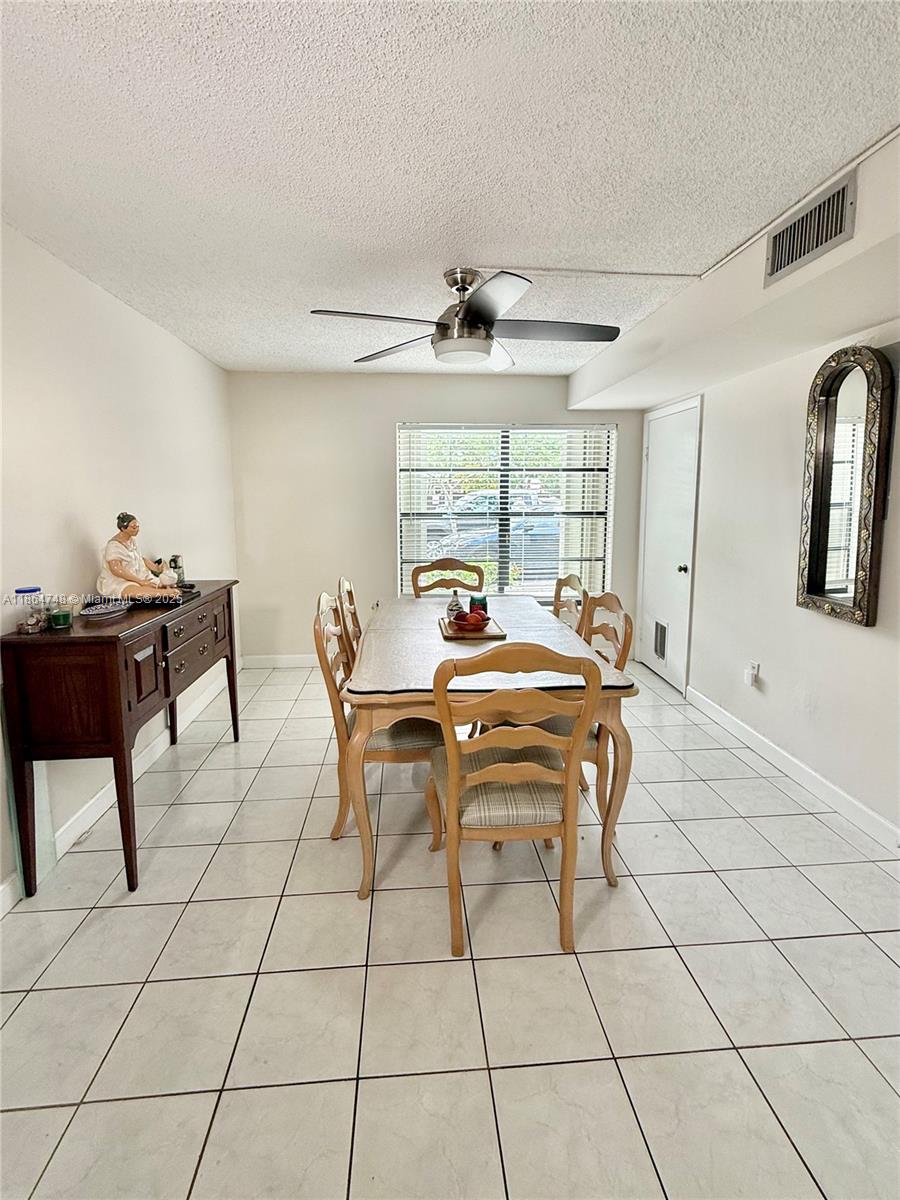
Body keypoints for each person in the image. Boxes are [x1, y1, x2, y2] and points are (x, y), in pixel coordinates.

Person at [96, 513, 180, 600]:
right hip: (120, 581)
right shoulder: (114, 545)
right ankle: (163, 593)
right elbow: (116, 569)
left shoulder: (132, 541)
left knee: (157, 583)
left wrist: (156, 568)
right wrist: (140, 581)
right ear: (123, 528)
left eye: (138, 526)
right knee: (131, 592)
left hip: (138, 577)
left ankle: (161, 590)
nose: (137, 530)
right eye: (133, 527)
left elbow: (140, 559)